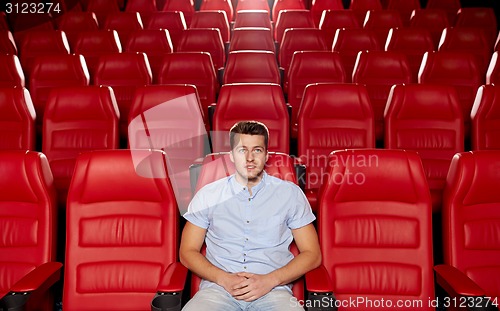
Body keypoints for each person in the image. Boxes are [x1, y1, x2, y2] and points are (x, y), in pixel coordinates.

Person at [180, 121, 321, 311]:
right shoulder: (208, 195)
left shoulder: (290, 194)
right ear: (231, 155)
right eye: (241, 150)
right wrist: (224, 279)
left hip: (273, 290)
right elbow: (187, 251)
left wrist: (270, 280)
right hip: (218, 290)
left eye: (257, 150)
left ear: (266, 155)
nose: (249, 158)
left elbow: (312, 254)